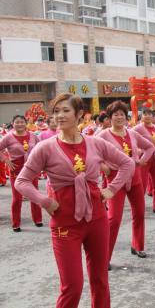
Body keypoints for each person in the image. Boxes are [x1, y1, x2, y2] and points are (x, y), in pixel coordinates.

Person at [15, 93, 134, 308]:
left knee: (100, 281)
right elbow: (21, 182)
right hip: (64, 222)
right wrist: (45, 201)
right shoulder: (45, 147)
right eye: (56, 111)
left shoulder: (96, 143)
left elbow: (127, 164)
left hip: (97, 219)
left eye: (66, 111)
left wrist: (111, 189)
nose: (60, 116)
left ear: (80, 114)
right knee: (72, 287)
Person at [98, 100, 154, 263]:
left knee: (140, 213)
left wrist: (141, 160)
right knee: (113, 219)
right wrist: (104, 167)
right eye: (116, 114)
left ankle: (138, 245)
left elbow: (150, 147)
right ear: (109, 117)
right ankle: (104, 257)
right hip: (115, 180)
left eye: (122, 114)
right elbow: (91, 154)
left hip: (135, 177)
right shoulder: (103, 135)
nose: (119, 117)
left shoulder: (132, 133)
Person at [0, 115, 43, 232]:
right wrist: (6, 160)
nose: (20, 124)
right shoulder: (8, 137)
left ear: (26, 123)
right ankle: (16, 223)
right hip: (15, 168)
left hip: (31, 168)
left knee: (34, 194)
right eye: (17, 122)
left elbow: (41, 149)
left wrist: (40, 164)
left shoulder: (33, 136)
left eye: (22, 122)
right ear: (12, 124)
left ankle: (38, 219)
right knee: (17, 198)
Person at [133, 108, 155, 214]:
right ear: (142, 116)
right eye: (145, 114)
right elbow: (130, 139)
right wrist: (138, 150)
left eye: (149, 114)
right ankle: (138, 208)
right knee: (142, 185)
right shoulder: (138, 128)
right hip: (144, 159)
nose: (147, 116)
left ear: (152, 116)